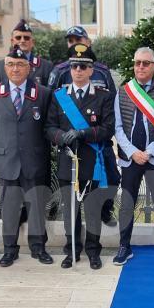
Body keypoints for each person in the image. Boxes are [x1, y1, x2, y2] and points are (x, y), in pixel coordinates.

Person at [45, 44, 117, 269]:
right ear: (70, 69)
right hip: (69, 161)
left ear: (91, 70)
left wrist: (84, 133)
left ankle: (93, 251)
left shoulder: (103, 96)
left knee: (93, 210)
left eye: (83, 66)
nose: (78, 70)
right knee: (70, 211)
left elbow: (108, 128)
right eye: (74, 66)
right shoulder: (59, 97)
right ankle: (72, 250)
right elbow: (48, 127)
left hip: (94, 162)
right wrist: (60, 136)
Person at [0, 45, 53, 267]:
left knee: (36, 208)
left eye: (21, 64)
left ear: (29, 67)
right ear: (5, 67)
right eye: (11, 64)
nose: (16, 68)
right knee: (9, 208)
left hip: (34, 160)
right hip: (7, 160)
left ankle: (38, 248)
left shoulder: (42, 93)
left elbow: (46, 127)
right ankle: (10, 250)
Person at [113, 46, 154, 266]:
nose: (140, 66)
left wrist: (149, 152)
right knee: (127, 204)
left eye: (146, 63)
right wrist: (133, 152)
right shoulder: (123, 91)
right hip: (130, 158)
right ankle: (124, 246)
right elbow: (118, 127)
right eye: (137, 62)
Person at [0, 19, 53, 87]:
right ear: (12, 42)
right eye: (18, 38)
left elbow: (50, 94)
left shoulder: (46, 66)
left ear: (32, 42)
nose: (22, 40)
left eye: (26, 38)